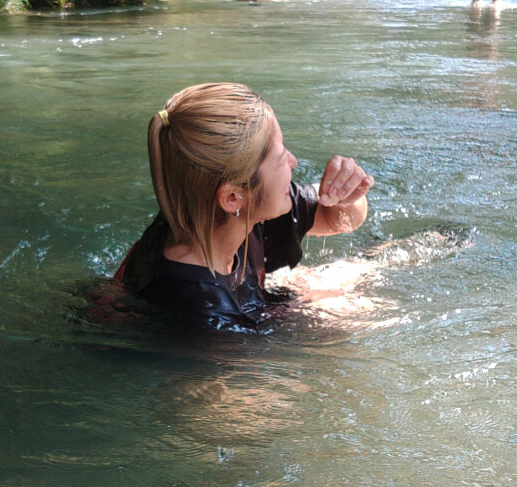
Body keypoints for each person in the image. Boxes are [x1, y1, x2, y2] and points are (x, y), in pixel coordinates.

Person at [114, 83, 374, 331]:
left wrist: (346, 197)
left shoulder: (215, 212)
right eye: (282, 157)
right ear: (232, 197)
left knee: (358, 271)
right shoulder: (201, 310)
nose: (294, 162)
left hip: (243, 311)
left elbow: (342, 220)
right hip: (205, 344)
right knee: (359, 311)